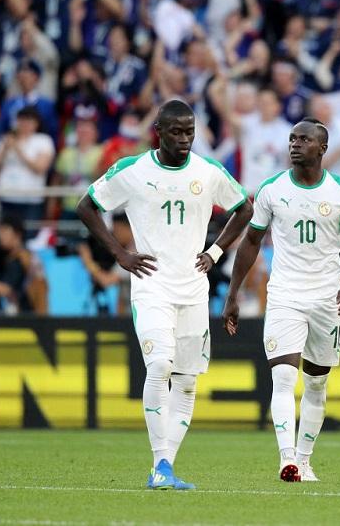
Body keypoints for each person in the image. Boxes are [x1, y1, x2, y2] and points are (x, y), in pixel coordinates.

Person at [76, 99, 253, 490]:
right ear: (158, 132)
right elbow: (86, 206)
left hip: (194, 288)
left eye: (190, 131)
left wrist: (215, 252)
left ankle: (164, 468)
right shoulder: (133, 170)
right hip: (152, 284)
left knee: (187, 382)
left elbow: (244, 208)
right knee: (159, 366)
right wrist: (120, 254)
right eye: (176, 131)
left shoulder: (208, 172)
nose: (185, 139)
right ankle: (159, 462)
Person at [222, 117, 340, 483]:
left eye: (304, 139)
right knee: (284, 376)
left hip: (327, 298)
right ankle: (287, 458)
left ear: (323, 148)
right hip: (285, 294)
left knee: (316, 383)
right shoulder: (271, 189)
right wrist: (233, 292)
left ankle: (304, 460)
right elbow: (251, 241)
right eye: (292, 138)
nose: (295, 144)